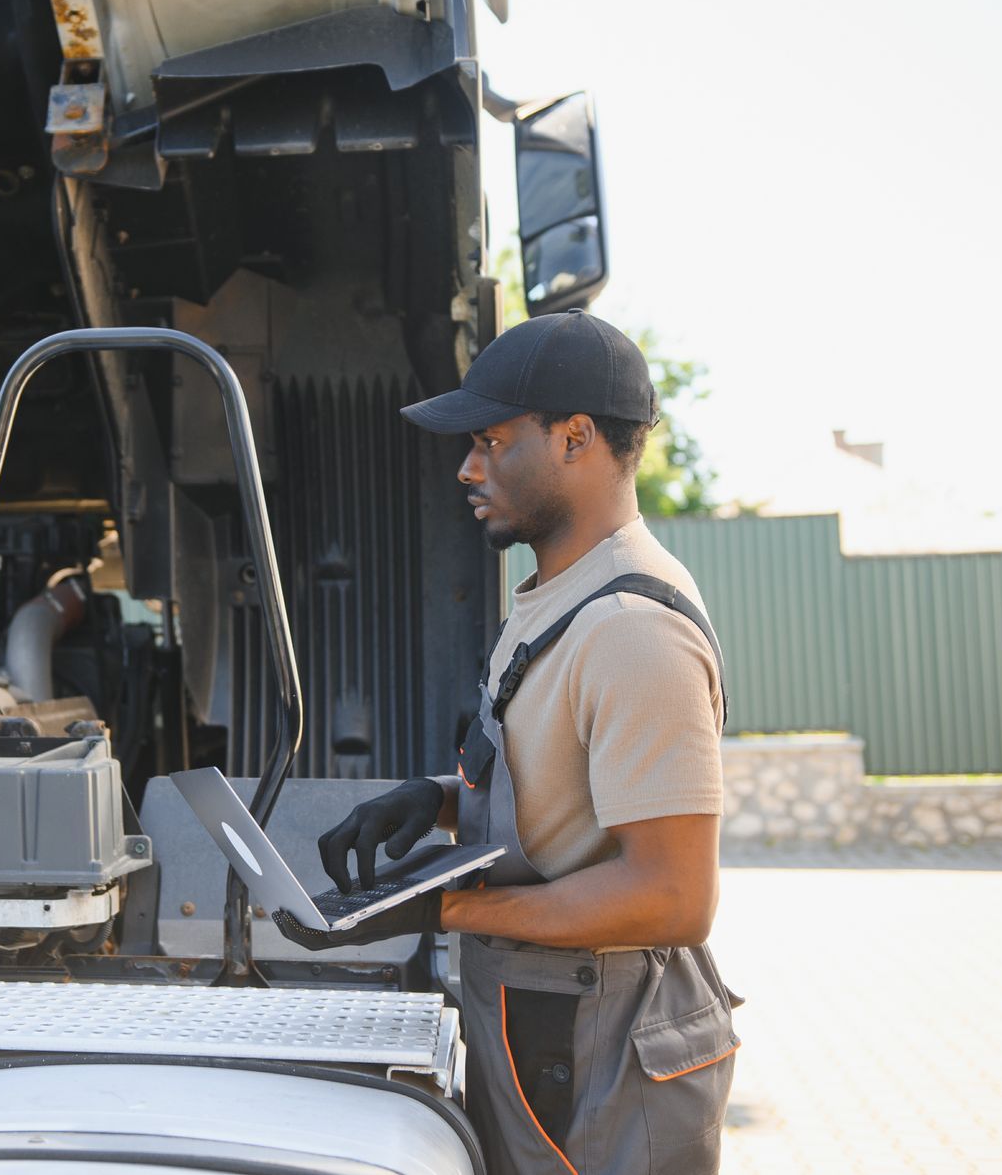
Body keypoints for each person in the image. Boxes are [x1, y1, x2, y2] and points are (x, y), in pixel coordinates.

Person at [276, 310, 740, 1175]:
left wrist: (439, 908)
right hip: (545, 1029)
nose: (466, 465)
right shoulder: (554, 600)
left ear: (574, 439)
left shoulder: (635, 630)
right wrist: (436, 797)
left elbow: (673, 895)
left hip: (601, 1059)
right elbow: (566, 801)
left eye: (491, 439)